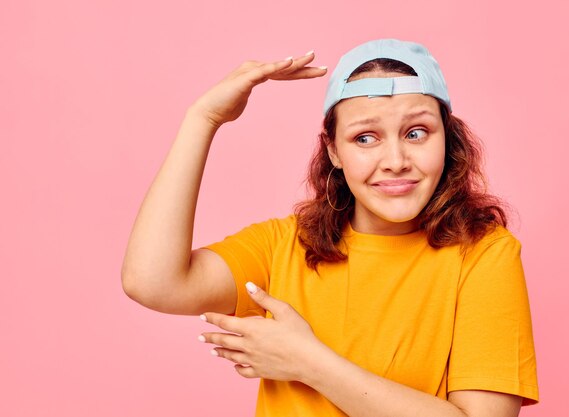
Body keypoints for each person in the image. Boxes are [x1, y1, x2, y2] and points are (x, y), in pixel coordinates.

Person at [121, 39, 539, 416]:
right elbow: (153, 282)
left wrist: (308, 362)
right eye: (365, 138)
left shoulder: (484, 253)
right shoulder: (283, 245)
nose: (395, 159)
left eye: (416, 133)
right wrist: (204, 118)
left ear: (447, 140)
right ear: (333, 151)